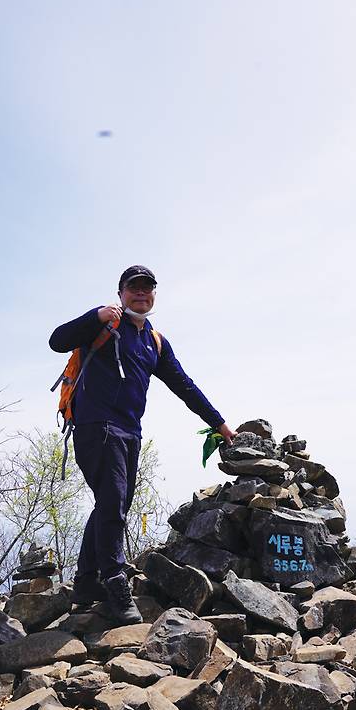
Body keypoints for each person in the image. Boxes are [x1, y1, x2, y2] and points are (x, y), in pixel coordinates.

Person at [49, 265, 236, 623]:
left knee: (111, 502)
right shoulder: (104, 324)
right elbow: (57, 340)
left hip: (130, 431)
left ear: (153, 295)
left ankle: (87, 581)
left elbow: (184, 385)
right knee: (114, 501)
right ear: (120, 292)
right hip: (96, 426)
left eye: (147, 289)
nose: (140, 294)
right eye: (133, 288)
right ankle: (116, 583)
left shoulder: (154, 341)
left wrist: (219, 423)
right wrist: (95, 316)